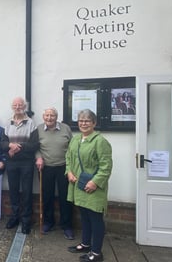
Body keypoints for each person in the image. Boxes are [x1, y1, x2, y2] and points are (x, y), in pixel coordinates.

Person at [66, 109, 112, 262]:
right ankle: (86, 244)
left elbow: (106, 166)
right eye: (81, 120)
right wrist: (69, 172)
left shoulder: (100, 141)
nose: (83, 123)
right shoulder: (76, 139)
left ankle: (97, 253)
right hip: (78, 186)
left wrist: (95, 182)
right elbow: (69, 158)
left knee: (95, 219)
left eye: (87, 121)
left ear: (94, 123)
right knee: (84, 217)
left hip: (93, 188)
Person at [1, 97, 39, 234]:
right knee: (13, 191)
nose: (18, 107)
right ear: (12, 107)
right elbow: (2, 143)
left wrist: (19, 147)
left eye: (20, 105)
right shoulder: (8, 122)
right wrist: (10, 145)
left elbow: (35, 144)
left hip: (26, 162)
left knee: (27, 192)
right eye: (15, 105)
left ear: (24, 106)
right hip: (11, 162)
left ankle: (26, 220)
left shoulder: (31, 123)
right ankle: (15, 217)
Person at [35, 107, 74, 239]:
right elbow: (35, 147)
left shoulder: (65, 128)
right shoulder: (39, 129)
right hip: (45, 167)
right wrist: (38, 157)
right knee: (47, 196)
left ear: (56, 117)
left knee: (65, 197)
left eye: (52, 115)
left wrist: (71, 167)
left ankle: (67, 225)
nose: (49, 118)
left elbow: (72, 147)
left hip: (64, 167)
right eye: (47, 115)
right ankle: (48, 222)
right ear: (43, 117)